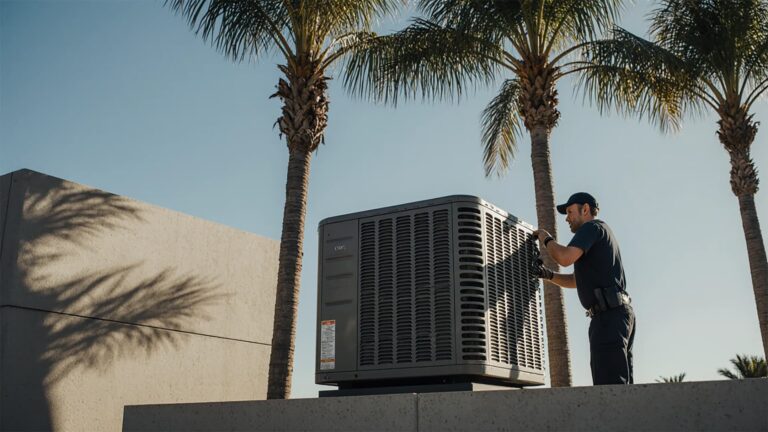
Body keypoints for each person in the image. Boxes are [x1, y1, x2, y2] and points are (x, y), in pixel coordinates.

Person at [532, 192, 636, 385]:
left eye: (570, 212)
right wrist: (548, 275)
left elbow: (564, 257)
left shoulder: (590, 228)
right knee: (621, 388)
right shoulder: (600, 232)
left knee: (610, 389)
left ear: (586, 209)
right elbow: (576, 280)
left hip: (609, 318)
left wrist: (546, 239)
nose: (567, 218)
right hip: (616, 315)